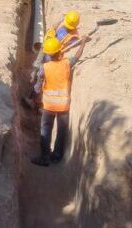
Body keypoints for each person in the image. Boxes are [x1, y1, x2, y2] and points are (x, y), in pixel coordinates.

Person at [31, 35, 88, 167]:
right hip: (63, 106)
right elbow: (77, 56)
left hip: (49, 106)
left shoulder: (44, 67)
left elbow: (38, 85)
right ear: (60, 51)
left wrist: (34, 93)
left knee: (45, 130)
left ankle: (44, 158)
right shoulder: (67, 64)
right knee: (61, 132)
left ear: (48, 54)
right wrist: (83, 43)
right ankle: (57, 156)